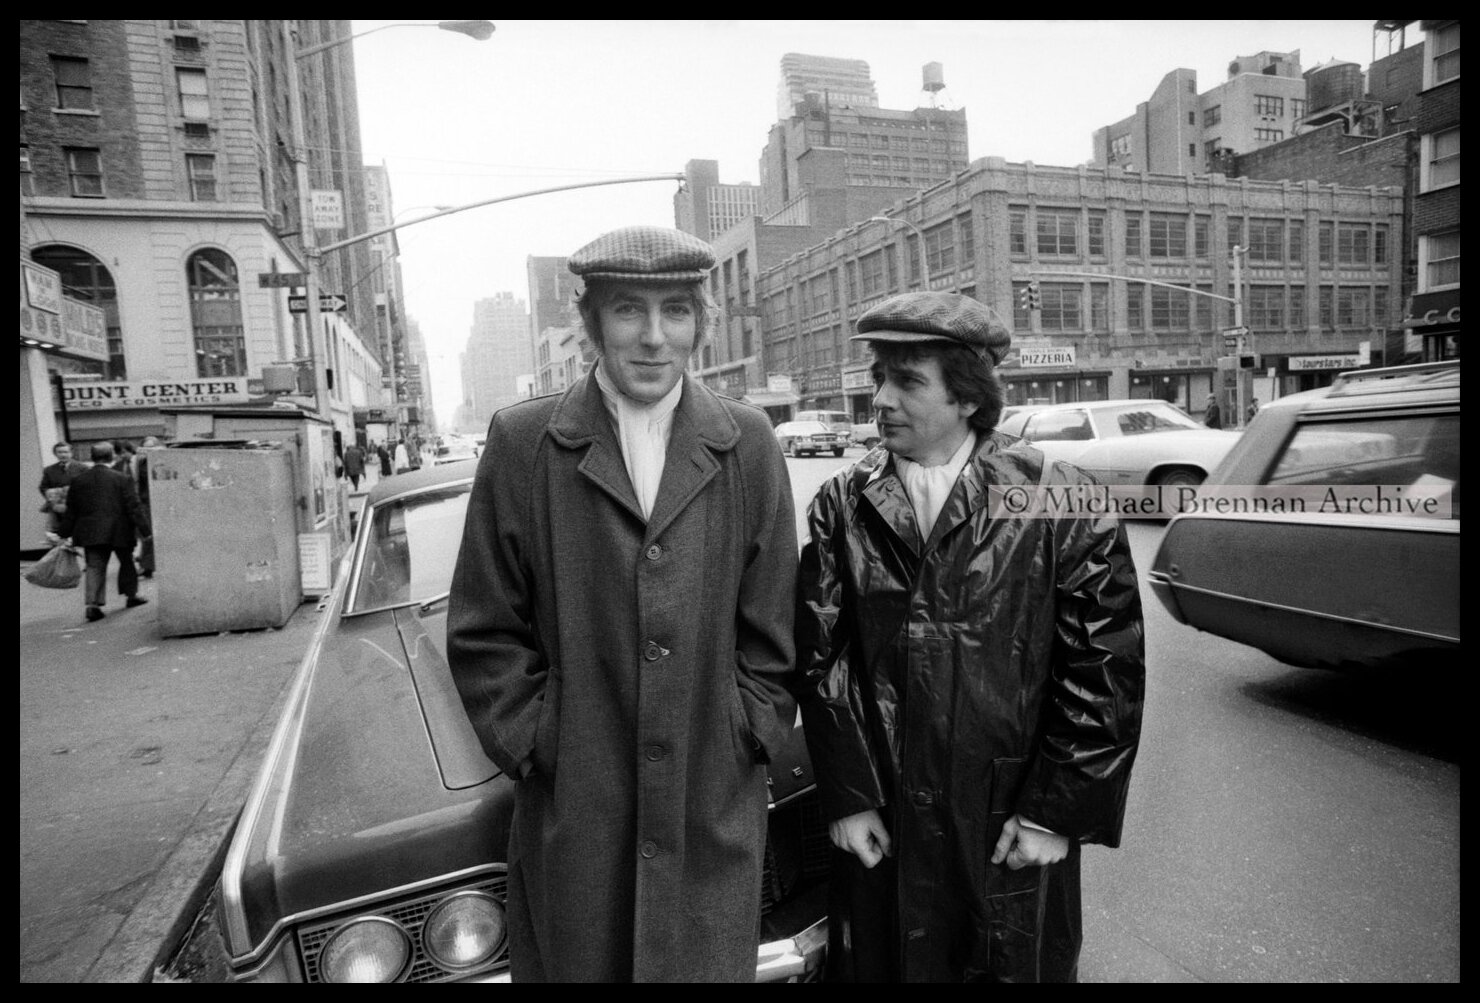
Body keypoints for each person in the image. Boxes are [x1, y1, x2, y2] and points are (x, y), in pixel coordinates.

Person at [447, 224, 798, 982]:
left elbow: (776, 630)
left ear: (701, 322)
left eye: (675, 310)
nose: (652, 337)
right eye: (628, 310)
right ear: (592, 321)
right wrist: (541, 741)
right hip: (580, 809)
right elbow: (484, 631)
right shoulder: (523, 442)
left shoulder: (749, 442)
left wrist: (747, 730)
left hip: (710, 801)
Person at [793, 291, 1145, 982]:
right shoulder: (842, 503)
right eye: (880, 378)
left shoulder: (1057, 495)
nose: (883, 399)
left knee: (1008, 961)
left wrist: (1055, 813)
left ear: (967, 397)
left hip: (1007, 818)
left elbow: (1106, 664)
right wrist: (850, 795)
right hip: (886, 817)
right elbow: (821, 658)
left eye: (909, 381)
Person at [56, 439, 151, 623]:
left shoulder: (78, 481)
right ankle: (131, 596)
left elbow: (72, 510)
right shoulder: (122, 479)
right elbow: (134, 507)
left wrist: (63, 533)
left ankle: (93, 605)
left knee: (94, 567)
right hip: (120, 530)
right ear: (112, 456)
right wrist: (145, 531)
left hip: (90, 532)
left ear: (92, 457)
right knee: (126, 562)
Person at [38, 441, 86, 536]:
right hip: (58, 509)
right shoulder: (49, 470)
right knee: (60, 534)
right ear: (55, 454)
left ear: (71, 453)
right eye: (60, 452)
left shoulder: (83, 468)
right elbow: (43, 487)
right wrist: (53, 496)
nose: (63, 455)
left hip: (77, 508)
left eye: (65, 452)